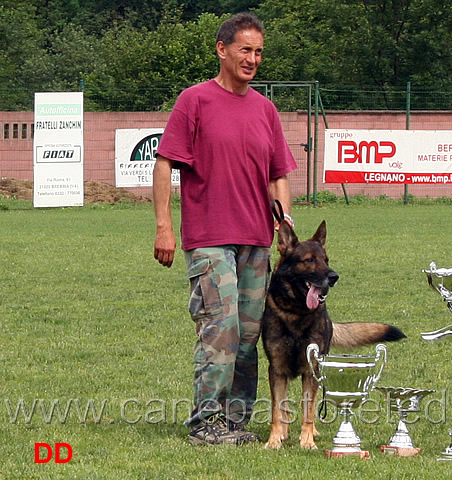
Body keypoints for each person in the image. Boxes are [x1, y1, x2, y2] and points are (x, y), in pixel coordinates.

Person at [152, 12, 296, 446]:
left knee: (251, 334)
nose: (252, 59)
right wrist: (164, 227)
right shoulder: (194, 101)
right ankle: (205, 424)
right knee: (222, 328)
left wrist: (285, 224)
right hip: (210, 237)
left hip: (257, 239)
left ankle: (235, 422)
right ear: (222, 49)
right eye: (245, 49)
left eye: (258, 52)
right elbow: (165, 163)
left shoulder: (265, 109)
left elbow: (279, 175)